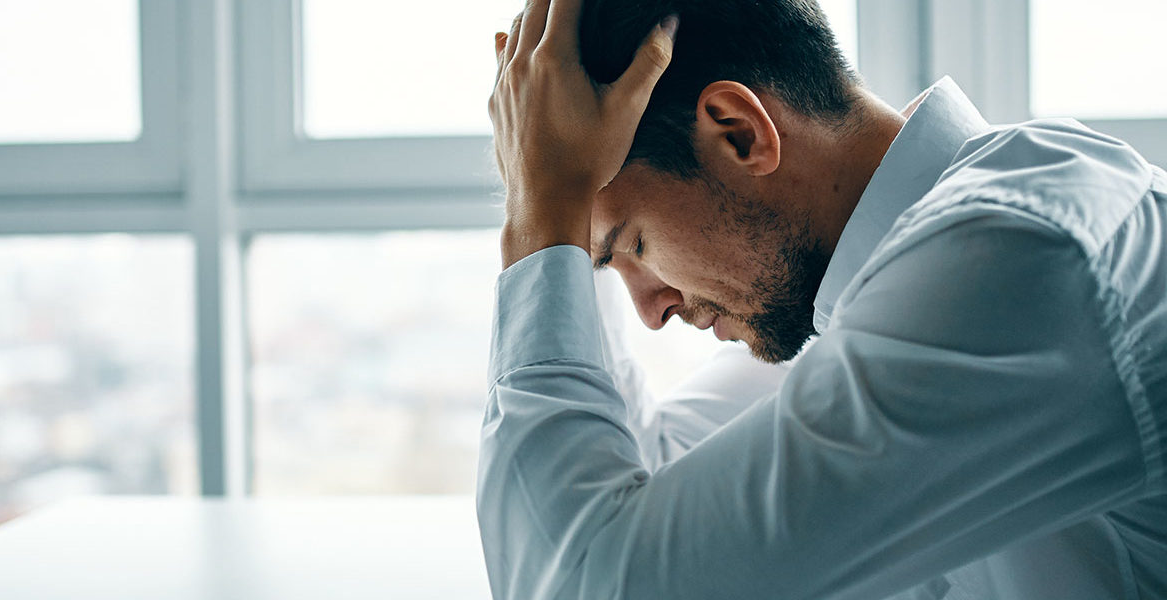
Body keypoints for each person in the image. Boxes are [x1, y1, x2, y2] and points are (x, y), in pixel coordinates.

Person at [479, 0, 1167, 598]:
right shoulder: (874, 289)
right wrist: (552, 199)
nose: (650, 312)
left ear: (739, 134)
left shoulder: (1019, 261)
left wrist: (543, 218)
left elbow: (584, 581)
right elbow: (654, 468)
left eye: (634, 247)